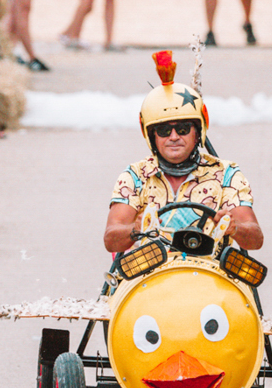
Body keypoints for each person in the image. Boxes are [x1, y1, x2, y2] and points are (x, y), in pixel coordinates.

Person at [104, 50, 261, 254]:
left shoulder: (227, 174)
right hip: (151, 270)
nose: (174, 136)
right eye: (163, 130)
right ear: (152, 136)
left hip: (210, 270)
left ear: (198, 133)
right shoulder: (134, 176)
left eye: (183, 129)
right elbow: (111, 240)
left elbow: (255, 239)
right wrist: (135, 229)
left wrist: (235, 227)